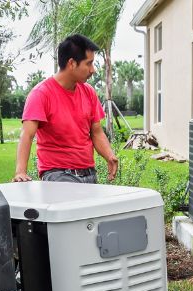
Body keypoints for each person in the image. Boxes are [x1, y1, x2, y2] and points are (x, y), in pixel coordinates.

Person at [13, 34, 118, 184]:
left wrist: (109, 155)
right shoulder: (41, 94)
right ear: (72, 63)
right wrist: (20, 172)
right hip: (58, 175)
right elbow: (27, 134)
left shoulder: (89, 92)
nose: (93, 70)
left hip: (89, 172)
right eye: (89, 63)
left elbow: (96, 131)